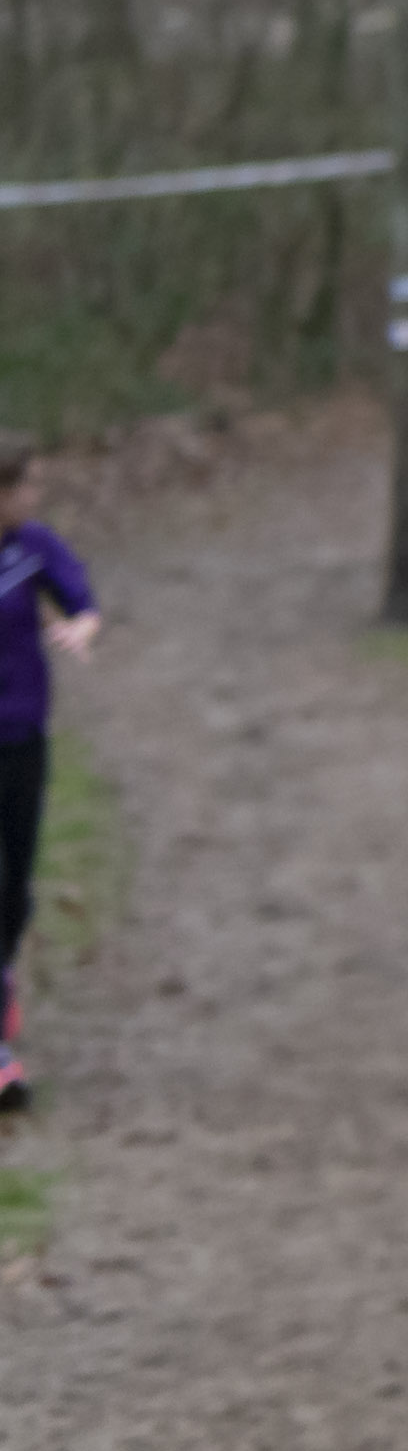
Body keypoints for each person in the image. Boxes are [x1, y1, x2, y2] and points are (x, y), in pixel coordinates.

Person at [0, 432, 103, 1111]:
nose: (37, 494)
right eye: (28, 484)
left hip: (21, 740)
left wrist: (81, 628)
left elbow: (82, 601)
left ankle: (4, 979)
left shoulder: (33, 546)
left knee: (15, 888)